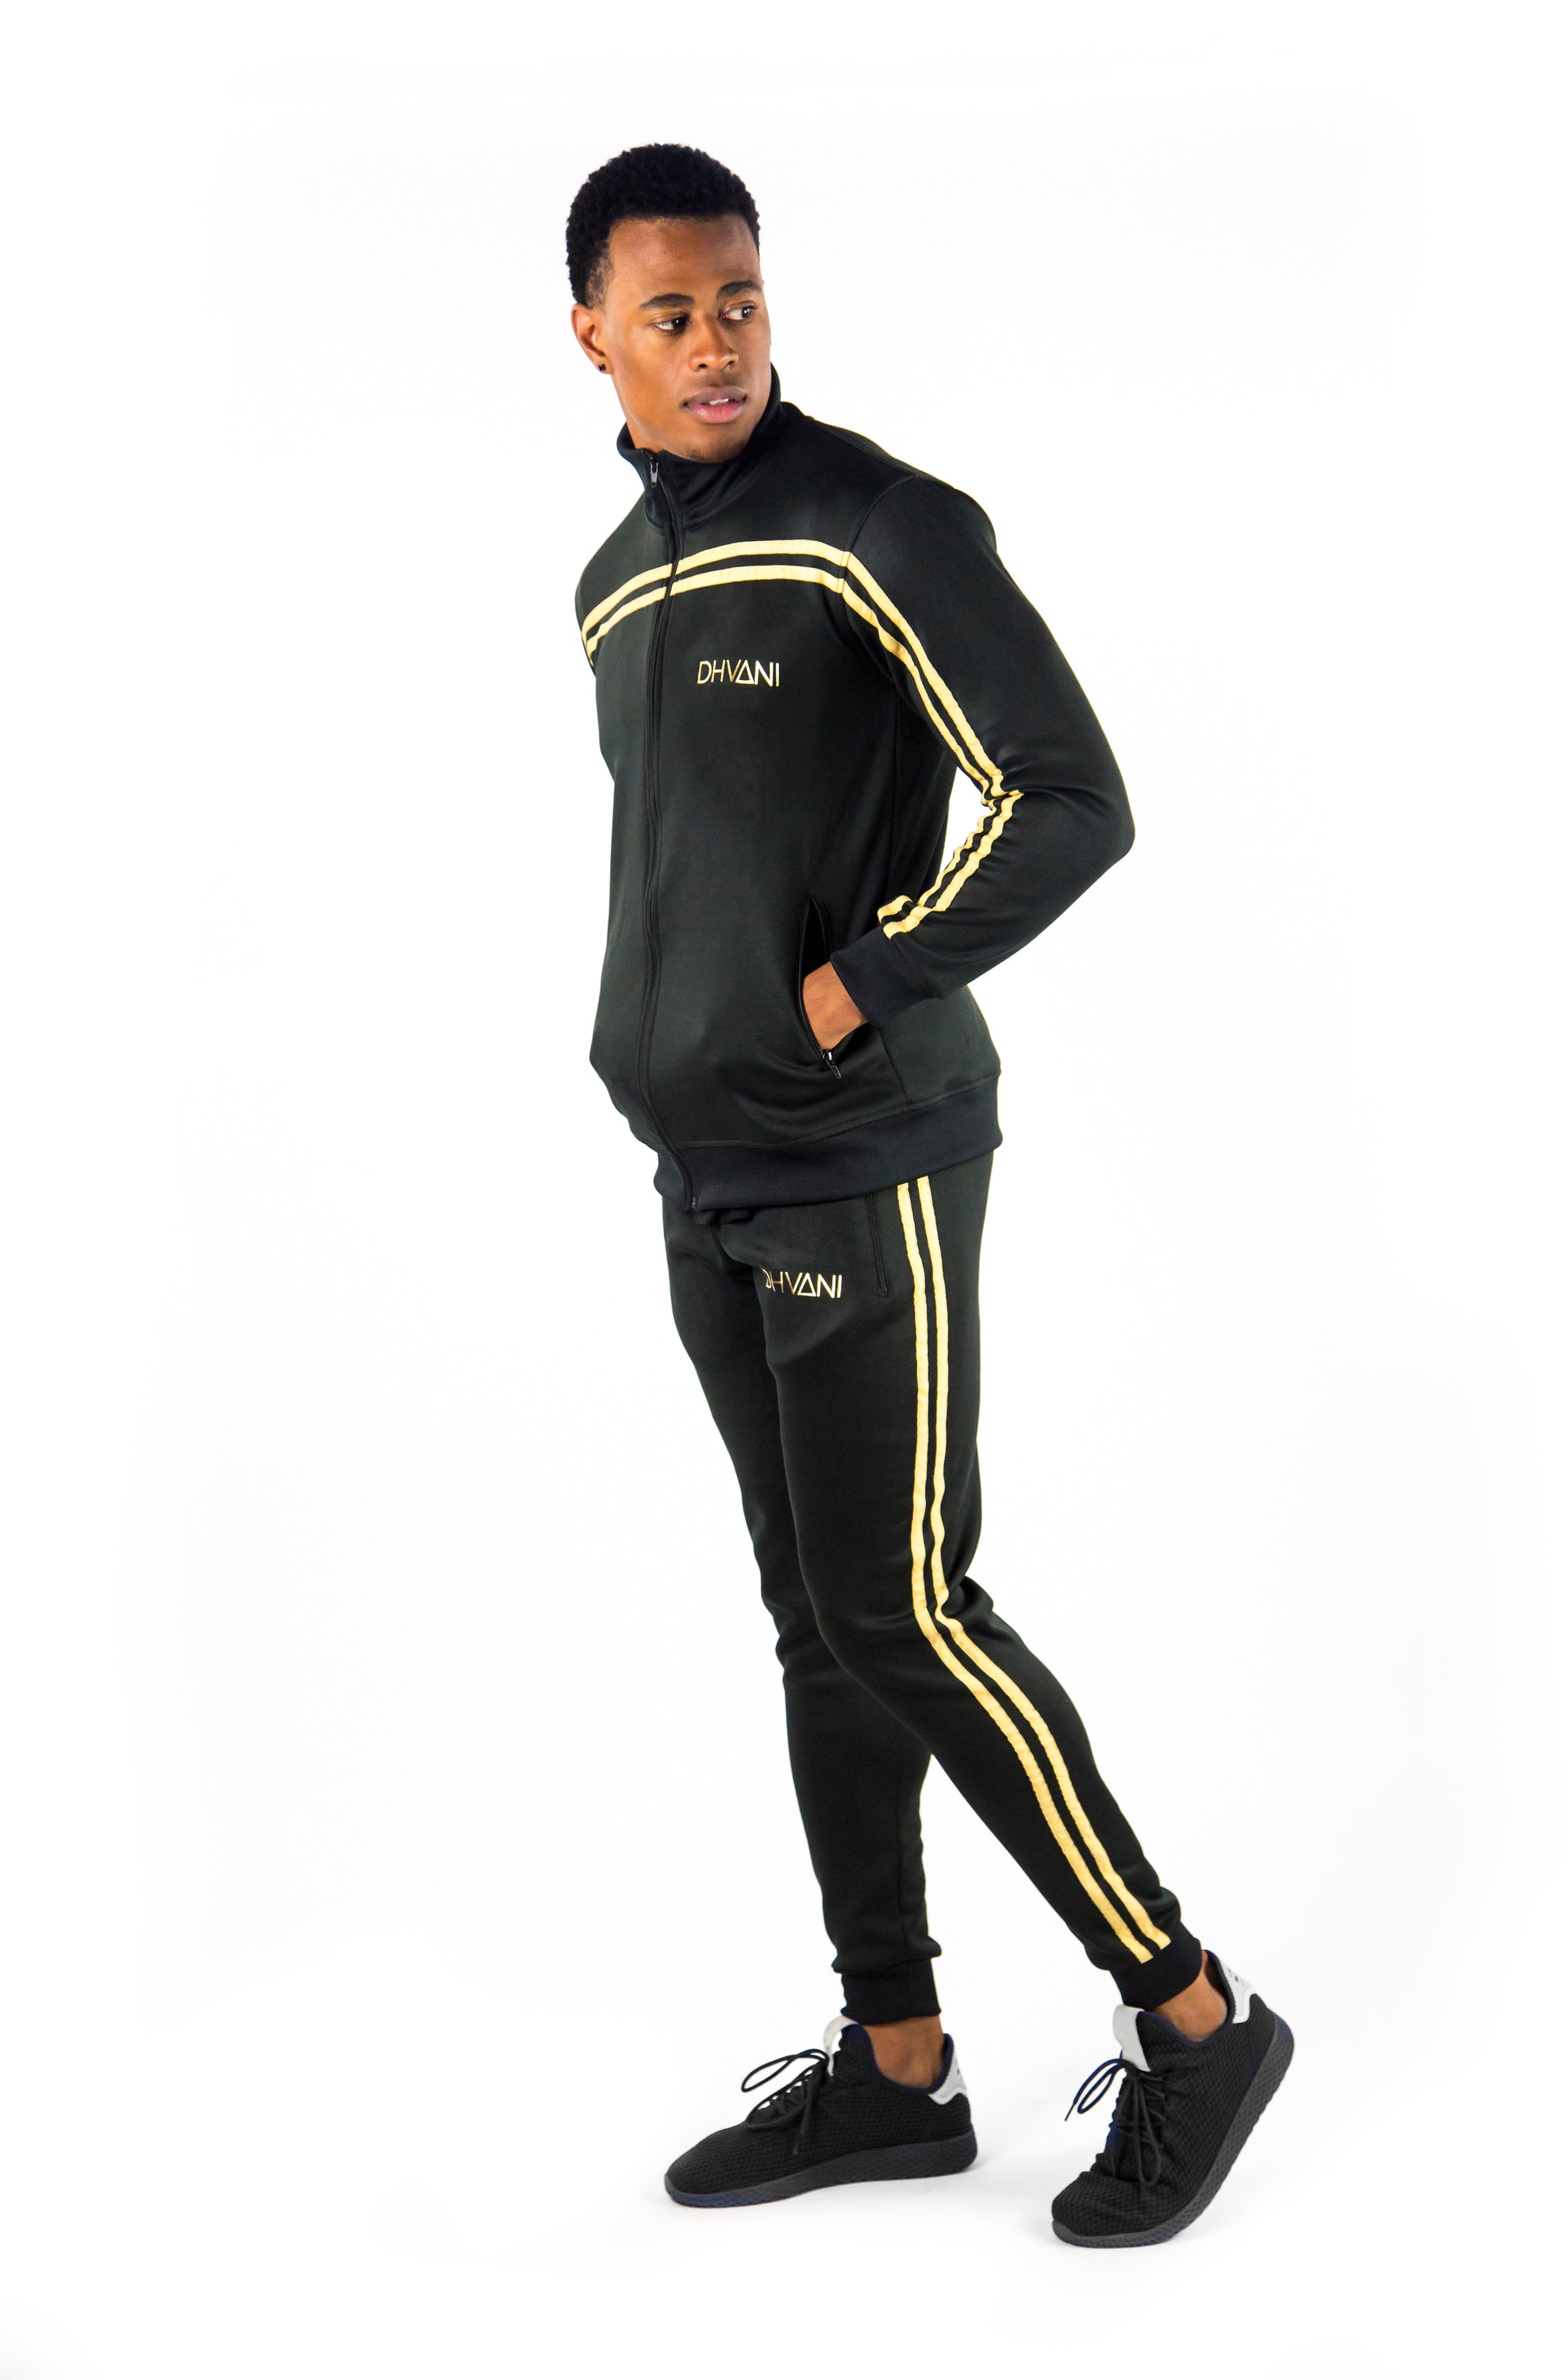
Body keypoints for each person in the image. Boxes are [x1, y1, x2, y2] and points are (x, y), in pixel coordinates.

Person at [566, 142, 1291, 2246]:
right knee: (819, 1621)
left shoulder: (877, 523)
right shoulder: (610, 582)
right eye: (674, 312)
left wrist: (856, 984)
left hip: (862, 1158)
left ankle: (1196, 2014)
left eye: (742, 301)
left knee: (906, 1605)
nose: (719, 343)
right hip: (701, 1168)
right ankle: (897, 2068)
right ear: (594, 335)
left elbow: (1072, 798)